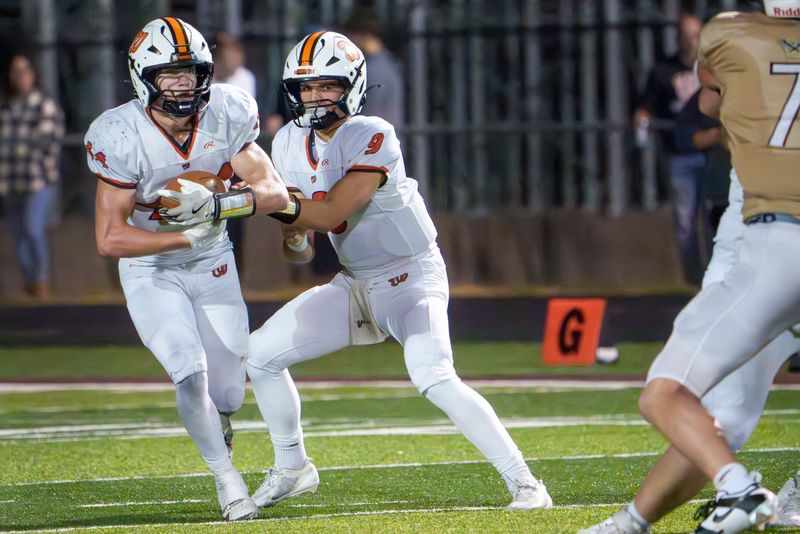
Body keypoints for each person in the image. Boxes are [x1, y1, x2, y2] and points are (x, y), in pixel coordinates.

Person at [242, 31, 552, 511]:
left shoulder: (373, 132)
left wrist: (251, 204)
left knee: (433, 375)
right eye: (305, 88)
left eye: (327, 86)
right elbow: (301, 251)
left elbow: (333, 215)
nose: (314, 97)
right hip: (354, 281)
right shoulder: (286, 141)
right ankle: (292, 467)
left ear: (353, 86)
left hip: (411, 276)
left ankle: (527, 484)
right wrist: (292, 234)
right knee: (259, 354)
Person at [85, 17, 289, 521]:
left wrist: (219, 209)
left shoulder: (227, 110)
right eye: (169, 73)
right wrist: (183, 234)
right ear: (141, 76)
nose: (183, 83)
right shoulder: (120, 132)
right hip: (150, 265)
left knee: (227, 392)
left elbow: (274, 192)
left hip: (213, 260)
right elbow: (109, 239)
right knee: (187, 371)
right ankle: (228, 482)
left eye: (191, 71)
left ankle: (219, 418)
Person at [621, 4, 800, 532]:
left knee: (677, 391)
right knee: (720, 401)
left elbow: (707, 101)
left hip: (768, 236)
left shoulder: (735, 36)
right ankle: (646, 516)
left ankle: (731, 491)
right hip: (764, 230)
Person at [579, 165, 800, 532]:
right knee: (717, 417)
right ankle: (635, 521)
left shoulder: (754, 110)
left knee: (666, 393)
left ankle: (736, 491)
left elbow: (711, 107)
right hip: (765, 247)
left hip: (764, 255)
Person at [636, 13, 706, 285]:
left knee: (716, 221)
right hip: (681, 157)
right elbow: (646, 107)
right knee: (685, 223)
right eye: (686, 36)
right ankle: (693, 281)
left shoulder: (713, 68)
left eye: (696, 35)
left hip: (712, 156)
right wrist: (641, 127)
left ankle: (718, 280)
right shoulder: (662, 71)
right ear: (677, 38)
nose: (692, 42)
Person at [0, 54, 65, 300]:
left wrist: (23, 151)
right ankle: (30, 281)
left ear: (33, 74)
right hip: (9, 180)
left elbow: (47, 142)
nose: (21, 76)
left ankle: (41, 280)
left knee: (33, 228)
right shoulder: (6, 106)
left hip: (38, 180)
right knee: (18, 235)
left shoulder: (43, 105)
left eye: (25, 70)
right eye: (16, 71)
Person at [211, 32, 257, 276]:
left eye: (236, 56)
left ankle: (235, 268)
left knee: (237, 211)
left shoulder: (245, 78)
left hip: (237, 154)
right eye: (228, 58)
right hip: (209, 155)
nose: (234, 62)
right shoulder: (205, 81)